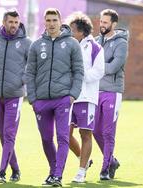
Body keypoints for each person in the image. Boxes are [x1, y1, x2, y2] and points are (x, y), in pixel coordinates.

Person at [25, 8, 84, 187]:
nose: (51, 24)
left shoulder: (72, 44)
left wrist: (73, 95)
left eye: (54, 20)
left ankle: (58, 175)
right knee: (45, 138)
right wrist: (33, 99)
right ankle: (53, 172)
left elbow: (79, 71)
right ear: (45, 22)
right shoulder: (36, 45)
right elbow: (30, 73)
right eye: (48, 20)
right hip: (41, 100)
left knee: (63, 137)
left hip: (63, 99)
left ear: (60, 21)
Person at [0, 10, 32, 183]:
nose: (14, 25)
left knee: (9, 134)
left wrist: (22, 80)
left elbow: (33, 66)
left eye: (16, 22)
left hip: (15, 95)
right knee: (2, 134)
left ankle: (2, 172)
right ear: (4, 22)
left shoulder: (27, 43)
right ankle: (16, 169)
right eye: (11, 22)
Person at [66, 12, 105, 183]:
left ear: (81, 32)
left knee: (85, 134)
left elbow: (98, 71)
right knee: (64, 135)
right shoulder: (66, 46)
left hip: (86, 97)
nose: (69, 33)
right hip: (68, 98)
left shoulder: (95, 47)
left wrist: (81, 75)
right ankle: (85, 160)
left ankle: (81, 172)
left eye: (72, 30)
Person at [93, 9, 129, 180]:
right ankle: (112, 160)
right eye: (101, 21)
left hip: (113, 92)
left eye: (105, 22)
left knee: (108, 132)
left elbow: (114, 67)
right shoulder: (95, 41)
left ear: (114, 24)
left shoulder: (121, 43)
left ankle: (105, 168)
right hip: (95, 91)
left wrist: (97, 68)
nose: (102, 25)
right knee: (94, 130)